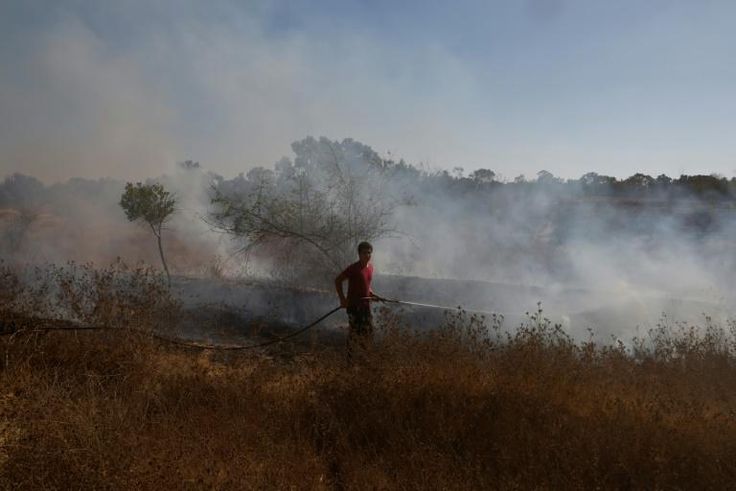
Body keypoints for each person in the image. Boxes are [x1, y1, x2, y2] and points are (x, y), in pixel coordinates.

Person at [335, 241, 383, 360]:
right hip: (354, 306)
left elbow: (366, 285)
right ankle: (350, 360)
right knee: (355, 333)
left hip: (365, 306)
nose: (367, 255)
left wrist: (372, 294)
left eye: (369, 253)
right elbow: (338, 281)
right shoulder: (354, 268)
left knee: (368, 332)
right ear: (359, 254)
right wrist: (343, 299)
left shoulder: (370, 268)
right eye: (364, 253)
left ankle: (365, 358)